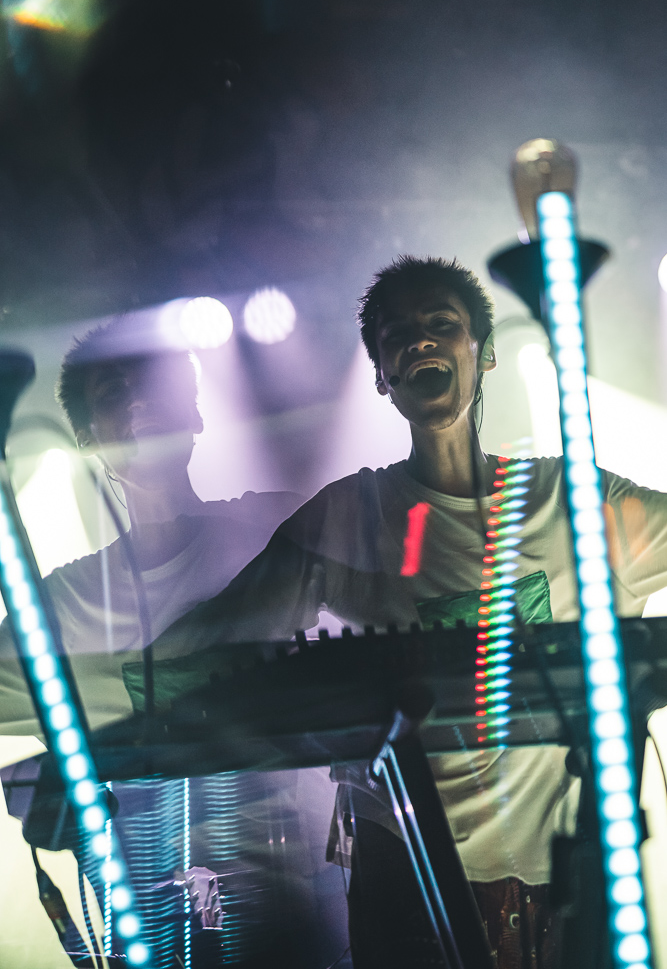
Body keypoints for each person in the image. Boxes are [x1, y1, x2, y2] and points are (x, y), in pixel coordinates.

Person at [152, 256, 667, 969]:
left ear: (483, 355)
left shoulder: (574, 498)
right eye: (398, 334)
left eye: (442, 326)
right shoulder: (350, 514)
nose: (421, 342)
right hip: (408, 874)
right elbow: (195, 649)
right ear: (379, 375)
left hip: (563, 878)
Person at [0, 315, 315, 968]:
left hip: (291, 903)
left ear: (196, 411)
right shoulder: (64, 599)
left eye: (152, 383)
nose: (139, 401)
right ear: (86, 438)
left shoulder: (275, 528)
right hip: (142, 916)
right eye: (112, 394)